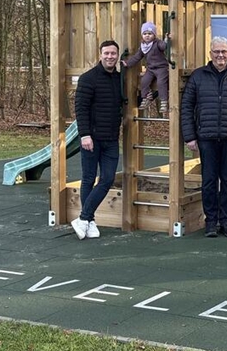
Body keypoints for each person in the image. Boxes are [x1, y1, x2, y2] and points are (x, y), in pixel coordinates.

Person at [181, 36, 227, 238]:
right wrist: (189, 136)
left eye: (224, 51)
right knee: (209, 181)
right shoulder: (198, 76)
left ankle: (226, 222)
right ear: (210, 54)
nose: (220, 55)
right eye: (216, 51)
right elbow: (186, 108)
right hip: (206, 138)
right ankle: (211, 222)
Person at [71, 39, 124, 240]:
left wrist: (151, 93)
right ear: (100, 55)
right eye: (106, 53)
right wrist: (84, 135)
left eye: (113, 53)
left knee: (108, 178)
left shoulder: (119, 79)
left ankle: (84, 219)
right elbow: (81, 109)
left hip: (111, 138)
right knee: (88, 178)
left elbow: (128, 101)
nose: (110, 57)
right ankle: (90, 221)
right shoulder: (88, 78)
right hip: (91, 138)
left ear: (117, 56)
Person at [123, 21, 171, 115]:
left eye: (150, 33)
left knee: (161, 82)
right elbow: (137, 57)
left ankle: (164, 101)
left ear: (154, 35)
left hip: (161, 68)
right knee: (144, 81)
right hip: (151, 69)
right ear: (142, 35)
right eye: (145, 34)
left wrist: (166, 40)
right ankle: (146, 97)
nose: (147, 36)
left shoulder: (157, 43)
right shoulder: (143, 46)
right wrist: (127, 63)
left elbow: (164, 46)